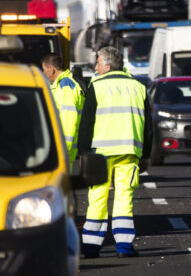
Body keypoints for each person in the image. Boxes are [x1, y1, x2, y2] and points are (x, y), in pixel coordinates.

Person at [76, 45, 152, 257]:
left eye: (98, 63)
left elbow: (87, 123)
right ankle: (124, 246)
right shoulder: (138, 86)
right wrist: (145, 155)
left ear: (107, 65)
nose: (96, 67)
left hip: (100, 153)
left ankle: (91, 247)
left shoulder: (96, 86)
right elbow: (148, 126)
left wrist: (83, 153)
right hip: (129, 151)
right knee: (124, 198)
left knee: (97, 198)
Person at [42, 50, 84, 162]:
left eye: (44, 70)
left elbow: (68, 120)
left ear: (51, 69)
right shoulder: (60, 85)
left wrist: (64, 148)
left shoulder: (65, 86)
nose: (43, 73)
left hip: (64, 150)